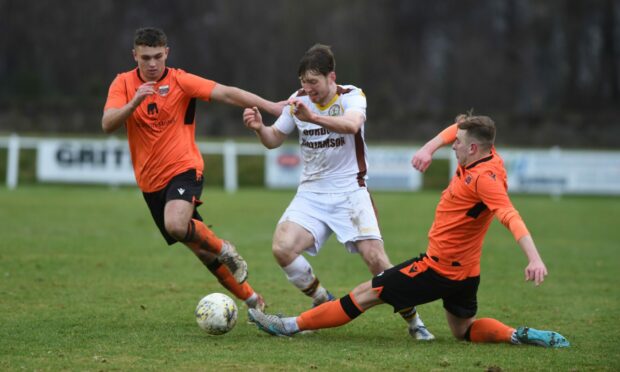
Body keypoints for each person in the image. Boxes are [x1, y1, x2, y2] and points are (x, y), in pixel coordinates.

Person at [248, 114, 570, 348]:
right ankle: (517, 334)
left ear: (473, 149)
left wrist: (534, 258)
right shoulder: (488, 157)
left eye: (458, 144)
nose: (452, 146)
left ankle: (288, 326)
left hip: (438, 268)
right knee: (463, 330)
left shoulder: (484, 180)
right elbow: (453, 131)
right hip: (467, 274)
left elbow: (510, 215)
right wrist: (429, 149)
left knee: (366, 293)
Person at [242, 43, 433, 340]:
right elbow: (273, 139)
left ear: (332, 77)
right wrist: (258, 128)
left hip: (350, 191)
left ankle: (414, 321)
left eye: (313, 82)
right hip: (311, 193)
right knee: (282, 247)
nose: (308, 89)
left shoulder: (352, 96)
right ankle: (321, 299)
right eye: (303, 83)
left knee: (377, 261)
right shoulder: (298, 100)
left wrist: (313, 117)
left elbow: (352, 126)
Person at [102, 27, 283, 311]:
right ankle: (252, 299)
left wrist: (271, 106)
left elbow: (228, 93)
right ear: (134, 55)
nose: (151, 64)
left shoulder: (180, 81)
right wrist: (134, 101)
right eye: (145, 57)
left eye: (157, 57)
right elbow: (108, 123)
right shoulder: (123, 84)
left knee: (176, 225)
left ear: (167, 53)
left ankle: (226, 249)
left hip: (184, 167)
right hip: (150, 182)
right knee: (200, 250)